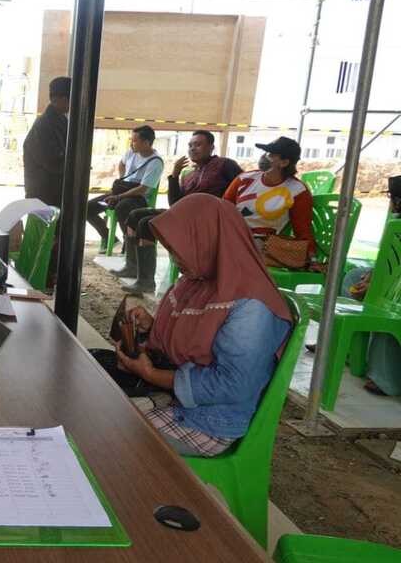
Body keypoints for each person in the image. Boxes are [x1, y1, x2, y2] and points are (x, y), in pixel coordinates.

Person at [114, 194, 291, 457]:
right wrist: (152, 327)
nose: (175, 258)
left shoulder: (252, 306)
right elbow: (197, 338)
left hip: (211, 422)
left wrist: (151, 375)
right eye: (170, 249)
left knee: (107, 436)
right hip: (180, 402)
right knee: (97, 411)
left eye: (178, 248)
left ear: (208, 240)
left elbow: (232, 385)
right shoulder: (198, 280)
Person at [119, 130, 243, 294]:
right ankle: (133, 267)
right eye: (190, 145)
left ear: (211, 147)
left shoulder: (224, 165)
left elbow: (242, 186)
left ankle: (146, 281)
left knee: (146, 223)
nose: (192, 148)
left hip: (206, 220)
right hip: (184, 215)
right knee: (135, 215)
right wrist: (175, 175)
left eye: (198, 145)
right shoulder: (189, 173)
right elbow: (174, 203)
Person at [335, 174, 401, 396]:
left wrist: (379, 281)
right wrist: (373, 275)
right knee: (354, 276)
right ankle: (352, 351)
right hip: (392, 280)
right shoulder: (395, 224)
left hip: (395, 289)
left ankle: (385, 378)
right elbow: (391, 259)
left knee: (387, 304)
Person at [223, 137, 316, 257]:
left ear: (284, 163)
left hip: (262, 244)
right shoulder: (244, 179)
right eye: (265, 152)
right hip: (232, 235)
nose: (264, 157)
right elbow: (223, 209)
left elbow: (302, 230)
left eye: (271, 155)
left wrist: (311, 256)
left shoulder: (297, 191)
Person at [86, 125, 164, 252]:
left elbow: (142, 189)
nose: (131, 143)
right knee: (87, 208)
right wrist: (122, 178)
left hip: (138, 198)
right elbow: (121, 164)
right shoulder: (131, 152)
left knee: (122, 207)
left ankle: (129, 244)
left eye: (134, 140)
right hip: (121, 192)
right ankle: (107, 236)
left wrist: (118, 197)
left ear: (146, 143)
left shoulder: (155, 162)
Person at [23, 77, 71, 207]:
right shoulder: (43, 125)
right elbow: (52, 161)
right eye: (68, 99)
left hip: (54, 192)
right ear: (57, 99)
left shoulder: (62, 121)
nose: (70, 103)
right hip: (43, 195)